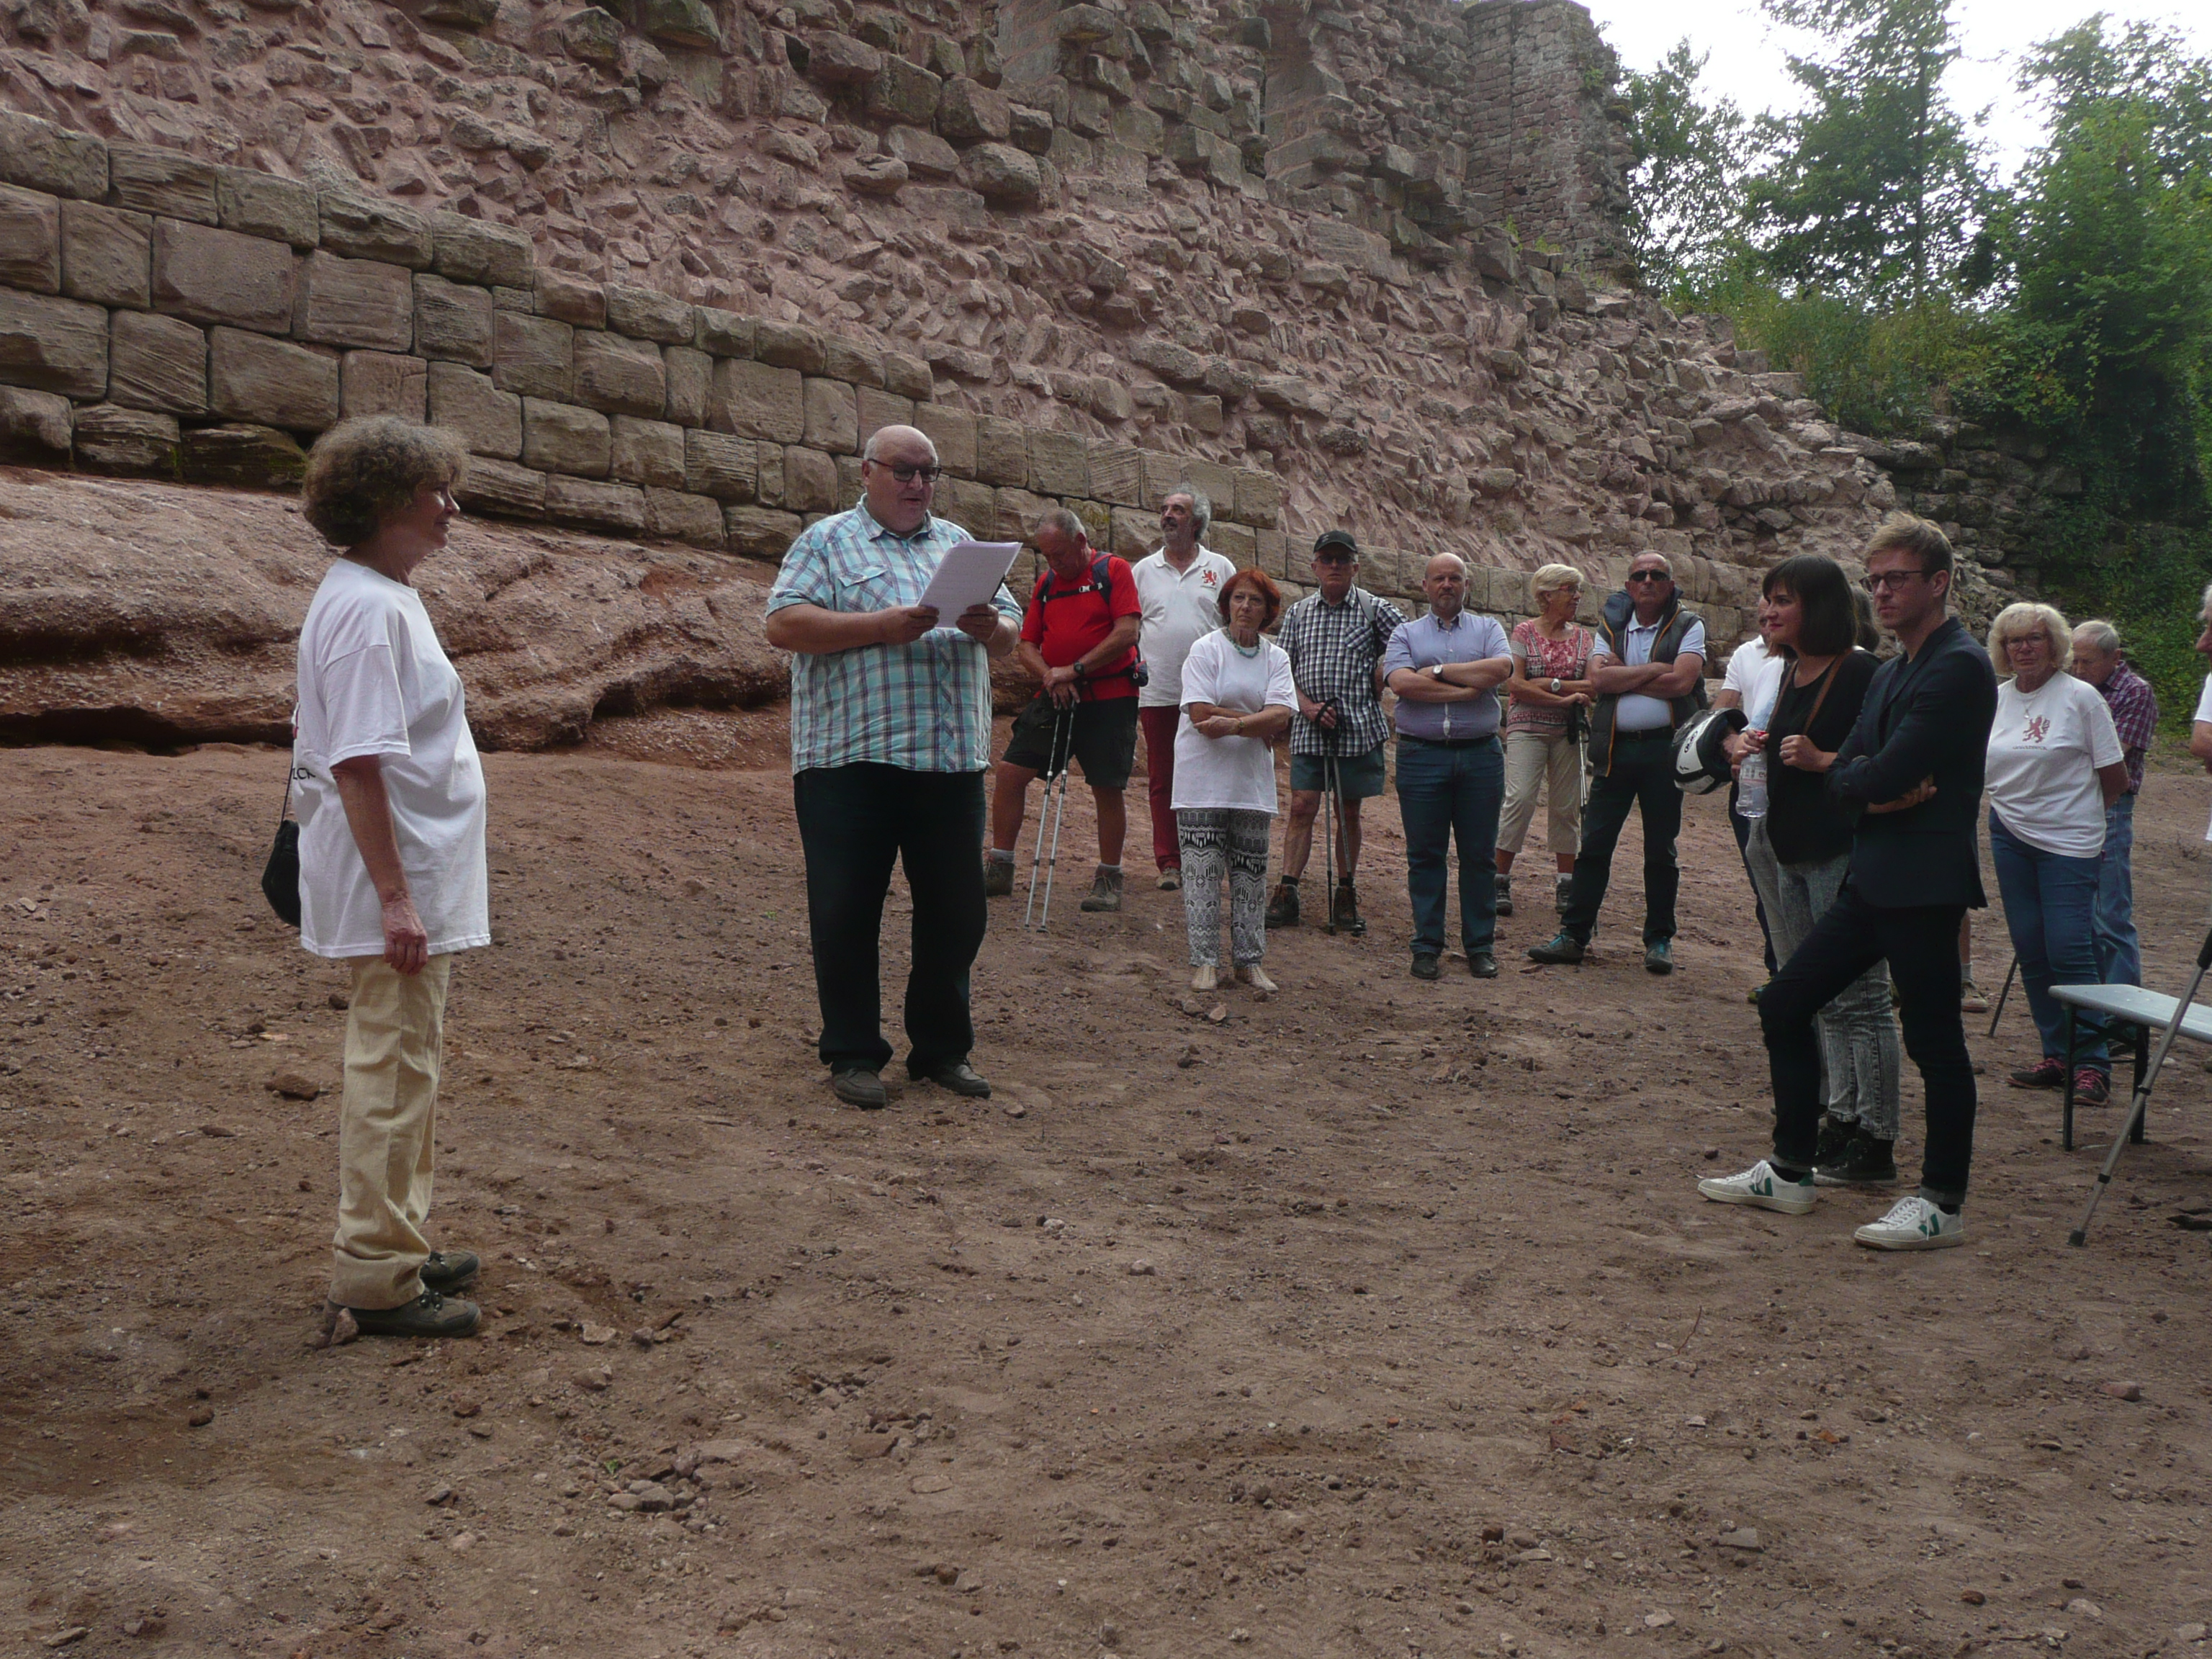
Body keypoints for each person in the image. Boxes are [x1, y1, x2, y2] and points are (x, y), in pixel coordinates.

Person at [1699, 513, 1997, 1251]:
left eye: (1899, 578)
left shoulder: (1959, 664)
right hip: (1874, 874)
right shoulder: (1893, 670)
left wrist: (1857, 776)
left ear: (1939, 582)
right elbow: (1853, 775)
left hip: (1924, 882)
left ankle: (1941, 1201)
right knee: (1785, 1002)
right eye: (1876, 580)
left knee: (1933, 1039)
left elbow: (1876, 771)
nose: (1884, 591)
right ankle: (1790, 1169)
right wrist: (1861, 780)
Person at [293, 416, 487, 1339]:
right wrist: (396, 897)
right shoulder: (369, 611)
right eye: (432, 492)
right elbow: (357, 763)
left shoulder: (379, 596)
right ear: (383, 501)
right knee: (395, 1066)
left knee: (410, 1063)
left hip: (408, 875)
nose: (450, 507)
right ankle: (376, 1272)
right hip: (396, 884)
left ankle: (396, 1239)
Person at [764, 425, 1022, 1110]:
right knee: (846, 911)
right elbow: (783, 624)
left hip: (950, 763)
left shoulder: (961, 545)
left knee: (957, 915)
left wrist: (990, 628)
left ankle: (942, 1051)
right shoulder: (825, 542)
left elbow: (1011, 633)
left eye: (929, 472)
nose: (918, 484)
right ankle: (852, 1053)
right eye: (904, 471)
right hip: (850, 762)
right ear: (867, 472)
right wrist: (879, 626)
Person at [1735, 554, 1902, 1186]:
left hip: (1838, 849)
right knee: (1821, 998)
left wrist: (1820, 759)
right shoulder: (1790, 670)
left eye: (1783, 600)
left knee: (1862, 998)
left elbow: (1886, 764)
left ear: (1820, 607)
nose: (1768, 611)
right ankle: (1842, 1117)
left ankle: (1876, 1139)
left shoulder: (1858, 671)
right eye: (1768, 598)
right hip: (1790, 848)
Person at [1529, 552, 1707, 974]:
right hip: (1614, 750)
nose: (1647, 581)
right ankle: (1574, 935)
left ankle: (1659, 939)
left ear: (1669, 584)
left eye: (1656, 575)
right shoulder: (1611, 625)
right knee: (1594, 845)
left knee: (1660, 849)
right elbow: (1598, 680)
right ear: (1628, 586)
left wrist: (1625, 673)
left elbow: (1683, 682)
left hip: (1665, 751)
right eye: (1639, 575)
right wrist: (1655, 669)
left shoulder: (1689, 624)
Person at [1984, 603, 2128, 1107]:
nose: (2024, 648)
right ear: (2003, 649)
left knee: (2069, 947)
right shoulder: (1995, 699)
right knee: (2031, 947)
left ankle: (2093, 1064)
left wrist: (2077, 817)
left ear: (2055, 645)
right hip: (2009, 834)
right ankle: (2057, 1052)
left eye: (2035, 638)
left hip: (2069, 842)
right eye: (2014, 640)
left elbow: (2115, 778)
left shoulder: (2081, 698)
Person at [985, 510, 1142, 913]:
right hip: (1055, 695)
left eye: (1059, 555)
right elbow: (1026, 645)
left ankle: (1109, 877)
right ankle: (999, 864)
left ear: (1081, 540)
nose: (1054, 563)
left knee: (1107, 786)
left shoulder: (1114, 571)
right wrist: (1052, 676)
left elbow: (1127, 632)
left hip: (1110, 697)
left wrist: (1075, 669)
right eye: (1047, 556)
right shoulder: (1048, 583)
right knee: (1010, 772)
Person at [1380, 553, 1515, 980]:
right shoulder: (1405, 633)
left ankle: (1480, 947)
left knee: (1480, 857)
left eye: (1455, 578)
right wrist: (1464, 690)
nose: (1447, 585)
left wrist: (1437, 672)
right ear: (1425, 585)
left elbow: (1501, 669)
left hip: (1480, 757)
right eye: (1439, 578)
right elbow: (1401, 682)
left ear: (1467, 584)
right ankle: (1426, 946)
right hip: (1422, 757)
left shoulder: (1489, 629)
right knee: (1425, 856)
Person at [1267, 530, 1408, 935]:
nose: (1334, 566)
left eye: (1342, 560)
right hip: (1310, 727)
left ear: (1355, 567)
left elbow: (1407, 644)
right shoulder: (1298, 613)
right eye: (1326, 559)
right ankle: (1288, 889)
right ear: (1314, 566)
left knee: (1348, 810)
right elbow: (1282, 670)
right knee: (1302, 805)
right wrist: (1308, 708)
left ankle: (1345, 891)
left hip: (1358, 728)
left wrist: (1383, 672)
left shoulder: (1374, 609)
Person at [1173, 568, 1295, 992]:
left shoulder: (1276, 658)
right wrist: (1255, 722)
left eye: (1255, 601)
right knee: (1202, 874)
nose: (1245, 607)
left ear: (1267, 611)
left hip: (1251, 782)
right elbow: (1200, 713)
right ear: (1226, 605)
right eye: (1239, 598)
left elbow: (1282, 715)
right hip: (1201, 780)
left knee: (1250, 876)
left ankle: (1249, 961)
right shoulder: (1205, 649)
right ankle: (1205, 962)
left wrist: (1236, 724)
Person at [1130, 487, 1236, 891]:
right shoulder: (1143, 571)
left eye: (1178, 509)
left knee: (1211, 777)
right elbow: (1132, 628)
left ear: (1197, 522)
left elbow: (1232, 626)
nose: (1168, 515)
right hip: (1158, 691)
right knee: (1163, 779)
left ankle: (1210, 857)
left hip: (1208, 694)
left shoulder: (1220, 567)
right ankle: (1170, 863)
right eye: (1164, 509)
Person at [1494, 564, 1594, 920]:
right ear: (1547, 594)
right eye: (1570, 589)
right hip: (1528, 728)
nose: (1577, 597)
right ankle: (1498, 878)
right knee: (1519, 798)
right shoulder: (1524, 632)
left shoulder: (1584, 638)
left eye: (1578, 590)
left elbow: (1593, 685)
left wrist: (1549, 685)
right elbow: (1515, 685)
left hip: (1568, 732)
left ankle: (1567, 882)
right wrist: (1565, 696)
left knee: (1567, 806)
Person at [2069, 619, 2157, 986]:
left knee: (2110, 913)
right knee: (2079, 913)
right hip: (2071, 802)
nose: (2078, 669)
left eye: (2087, 662)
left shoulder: (2135, 692)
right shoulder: (2071, 687)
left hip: (2112, 805)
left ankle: (2122, 1007)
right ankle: (2090, 999)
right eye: (2074, 661)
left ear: (2115, 657)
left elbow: (2110, 756)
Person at [1715, 598, 1786, 989]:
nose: (1769, 622)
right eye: (1762, 617)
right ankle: (1781, 971)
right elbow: (1725, 714)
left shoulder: (1848, 662)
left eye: (1779, 609)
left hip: (1795, 788)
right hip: (1753, 784)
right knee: (1764, 883)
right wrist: (1732, 744)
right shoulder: (1751, 656)